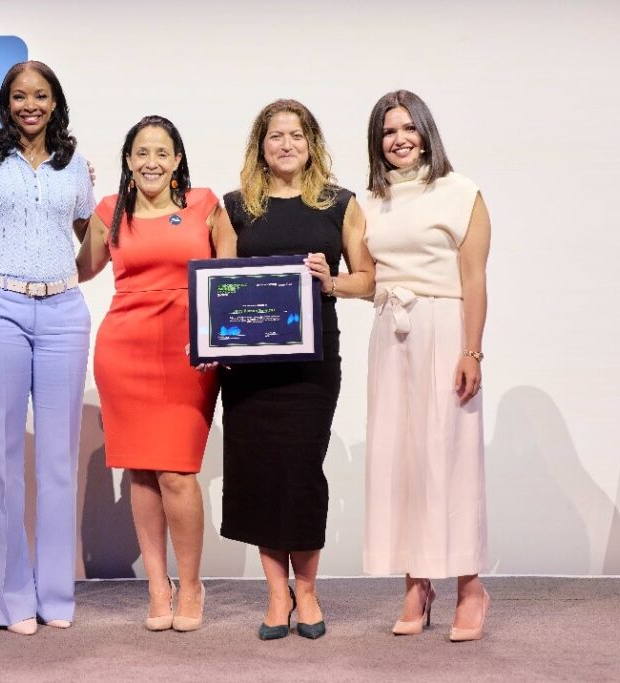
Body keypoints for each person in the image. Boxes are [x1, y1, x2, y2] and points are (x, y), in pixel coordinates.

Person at [0, 60, 95, 635]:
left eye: (39, 95)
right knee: (5, 459)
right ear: (6, 103)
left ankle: (56, 595)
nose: (29, 105)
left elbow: (94, 234)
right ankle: (11, 599)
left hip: (63, 311)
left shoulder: (76, 164)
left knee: (58, 461)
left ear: (55, 101)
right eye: (18, 96)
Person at [221, 99, 374, 641]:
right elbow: (220, 287)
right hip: (249, 368)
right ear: (259, 146)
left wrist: (330, 280)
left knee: (302, 472)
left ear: (311, 143)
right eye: (275, 136)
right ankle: (275, 595)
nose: (285, 144)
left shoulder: (340, 204)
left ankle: (306, 592)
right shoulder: (235, 206)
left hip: (312, 365)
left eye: (296, 135)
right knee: (258, 471)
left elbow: (369, 280)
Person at [76, 115, 237, 632]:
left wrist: (224, 337)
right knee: (142, 470)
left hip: (189, 348)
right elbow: (82, 269)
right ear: (128, 160)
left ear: (177, 161)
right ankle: (156, 586)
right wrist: (71, 201)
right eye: (141, 152)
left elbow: (227, 279)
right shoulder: (109, 210)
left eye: (162, 153)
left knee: (177, 471)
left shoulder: (206, 205)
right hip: (125, 347)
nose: (151, 162)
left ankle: (190, 585)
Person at [360, 90, 491, 642]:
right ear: (378, 141)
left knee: (452, 457)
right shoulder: (368, 202)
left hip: (444, 331)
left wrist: (472, 350)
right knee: (403, 459)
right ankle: (417, 584)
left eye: (408, 127)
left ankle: (469, 587)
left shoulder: (461, 193)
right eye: (388, 130)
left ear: (427, 133)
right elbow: (366, 280)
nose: (399, 139)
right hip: (391, 336)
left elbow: (475, 279)